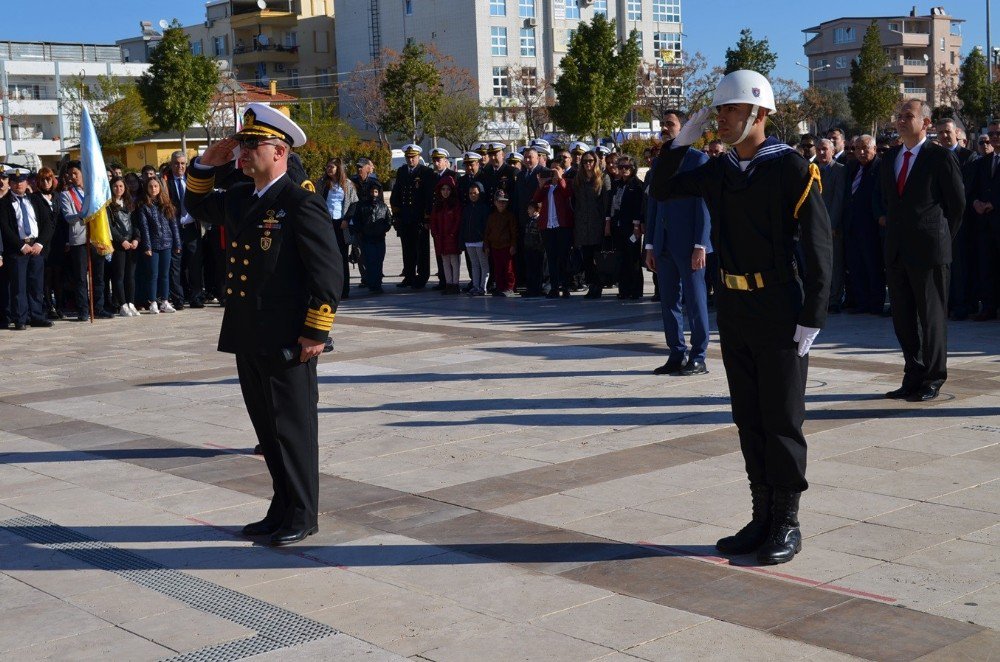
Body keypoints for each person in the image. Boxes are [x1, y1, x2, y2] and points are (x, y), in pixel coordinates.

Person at [649, 70, 832, 565]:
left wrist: (813, 314)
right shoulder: (721, 168)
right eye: (720, 112)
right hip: (734, 305)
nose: (721, 120)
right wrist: (677, 144)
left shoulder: (792, 168)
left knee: (782, 419)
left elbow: (819, 245)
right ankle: (760, 516)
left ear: (758, 113)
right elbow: (661, 188)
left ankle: (787, 522)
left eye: (729, 110)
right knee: (748, 416)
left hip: (779, 307)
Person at [186, 102, 343, 546]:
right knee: (267, 429)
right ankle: (282, 506)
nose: (241, 152)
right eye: (241, 144)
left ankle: (303, 513)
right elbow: (196, 205)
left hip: (287, 336)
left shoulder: (299, 201)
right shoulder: (240, 197)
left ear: (280, 152)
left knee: (292, 428)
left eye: (252, 145)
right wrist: (204, 163)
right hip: (248, 331)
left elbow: (328, 276)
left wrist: (315, 331)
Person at [879, 99, 965, 402]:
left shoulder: (939, 157)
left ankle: (933, 376)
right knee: (903, 318)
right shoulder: (890, 158)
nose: (901, 120)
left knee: (931, 317)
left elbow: (956, 205)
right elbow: (890, 202)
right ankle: (912, 374)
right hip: (898, 250)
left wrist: (941, 237)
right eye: (899, 115)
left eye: (909, 116)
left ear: (926, 123)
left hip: (929, 251)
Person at [645, 109, 712, 375]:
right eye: (663, 123)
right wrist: (650, 244)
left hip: (690, 245)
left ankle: (699, 355)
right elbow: (653, 203)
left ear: (685, 128)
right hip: (664, 244)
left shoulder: (699, 160)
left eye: (670, 124)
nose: (665, 127)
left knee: (696, 301)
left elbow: (704, 204)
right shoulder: (661, 161)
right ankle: (676, 352)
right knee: (669, 301)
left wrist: (701, 243)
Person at [935, 118, 980, 321]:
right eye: (941, 132)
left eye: (948, 132)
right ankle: (949, 303)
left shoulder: (969, 157)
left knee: (962, 265)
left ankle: (963, 304)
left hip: (961, 221)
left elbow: (965, 189)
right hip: (939, 220)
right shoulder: (934, 156)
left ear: (957, 133)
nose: (945, 136)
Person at [0, 168, 54, 329]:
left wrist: (40, 243)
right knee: (19, 286)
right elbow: (4, 227)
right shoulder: (3, 203)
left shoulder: (36, 200)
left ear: (27, 182)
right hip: (18, 249)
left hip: (36, 247)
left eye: (22, 181)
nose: (19, 185)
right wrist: (21, 245)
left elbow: (47, 223)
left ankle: (36, 315)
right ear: (9, 183)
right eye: (15, 182)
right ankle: (20, 318)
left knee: (36, 284)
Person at [60, 160, 111, 320]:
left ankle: (98, 307)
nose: (72, 177)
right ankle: (83, 309)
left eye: (75, 173)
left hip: (96, 237)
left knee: (98, 276)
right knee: (81, 277)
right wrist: (84, 214)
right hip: (80, 240)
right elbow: (69, 217)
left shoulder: (94, 192)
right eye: (70, 174)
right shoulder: (66, 194)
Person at [843, 135, 884, 315]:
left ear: (874, 149)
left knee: (873, 266)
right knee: (856, 265)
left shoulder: (881, 167)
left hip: (872, 226)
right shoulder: (851, 167)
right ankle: (861, 302)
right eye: (857, 148)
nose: (860, 152)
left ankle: (876, 303)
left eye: (865, 148)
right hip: (852, 226)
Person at [969, 119, 1000, 322]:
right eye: (992, 134)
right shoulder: (983, 162)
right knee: (986, 266)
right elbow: (972, 188)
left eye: (998, 133)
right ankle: (988, 306)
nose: (994, 137)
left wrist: (994, 203)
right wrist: (976, 202)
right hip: (985, 225)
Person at [135, 176, 180, 314]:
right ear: (146, 189)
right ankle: (153, 301)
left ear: (160, 187)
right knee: (153, 274)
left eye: (156, 186)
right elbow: (144, 228)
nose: (153, 189)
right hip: (153, 245)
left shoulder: (167, 204)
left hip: (167, 242)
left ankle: (164, 301)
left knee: (165, 274)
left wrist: (177, 243)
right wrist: (147, 246)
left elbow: (173, 225)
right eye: (150, 186)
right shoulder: (143, 206)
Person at [390, 144, 432, 289]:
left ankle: (422, 277)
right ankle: (409, 276)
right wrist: (396, 214)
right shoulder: (402, 171)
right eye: (408, 157)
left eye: (413, 157)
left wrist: (427, 217)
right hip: (406, 217)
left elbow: (428, 196)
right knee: (407, 249)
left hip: (419, 218)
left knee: (421, 249)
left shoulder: (425, 172)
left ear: (418, 157)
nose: (410, 160)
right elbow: (396, 193)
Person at [165, 151, 202, 310]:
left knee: (195, 264)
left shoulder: (192, 181)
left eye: (182, 163)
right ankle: (178, 299)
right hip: (175, 229)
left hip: (192, 228)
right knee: (176, 266)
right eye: (176, 163)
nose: (179, 166)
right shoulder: (165, 182)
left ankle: (196, 298)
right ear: (171, 164)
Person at [317, 158, 357, 300]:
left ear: (338, 168)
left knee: (341, 257)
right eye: (327, 166)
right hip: (326, 223)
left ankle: (344, 290)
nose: (329, 169)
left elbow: (353, 203)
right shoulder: (322, 183)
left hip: (341, 224)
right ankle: (328, 289)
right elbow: (316, 200)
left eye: (332, 167)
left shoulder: (347, 184)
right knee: (327, 257)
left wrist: (346, 220)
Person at [573, 150, 611, 299]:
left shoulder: (603, 178)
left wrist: (606, 223)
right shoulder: (578, 179)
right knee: (587, 258)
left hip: (597, 223)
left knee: (598, 258)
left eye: (590, 161)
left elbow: (606, 203)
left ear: (595, 162)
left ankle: (599, 285)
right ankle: (592, 285)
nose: (588, 164)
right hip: (583, 225)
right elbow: (575, 202)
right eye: (585, 161)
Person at [533, 164, 574, 298]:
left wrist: (560, 178)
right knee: (551, 258)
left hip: (562, 226)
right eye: (552, 169)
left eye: (557, 169)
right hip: (548, 226)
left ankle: (566, 286)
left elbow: (567, 193)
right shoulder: (547, 186)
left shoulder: (567, 182)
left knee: (563, 257)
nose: (554, 172)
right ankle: (554, 287)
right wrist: (541, 184)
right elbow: (536, 199)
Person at [815, 139, 847, 313]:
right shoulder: (812, 169)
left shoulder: (839, 170)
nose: (821, 153)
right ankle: (823, 299)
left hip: (832, 227)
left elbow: (838, 199)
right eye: (818, 149)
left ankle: (835, 299)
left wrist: (832, 224)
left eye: (825, 149)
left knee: (835, 264)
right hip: (815, 226)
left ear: (833, 151)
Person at [607, 156, 645, 300]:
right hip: (618, 225)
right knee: (621, 258)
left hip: (631, 227)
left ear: (633, 168)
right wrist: (608, 222)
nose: (624, 170)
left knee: (633, 259)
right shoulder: (616, 184)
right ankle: (624, 289)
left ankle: (636, 290)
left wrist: (637, 226)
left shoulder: (637, 185)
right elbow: (611, 205)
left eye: (627, 167)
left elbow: (638, 207)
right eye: (621, 167)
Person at [349, 182, 392, 293]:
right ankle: (372, 284)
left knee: (379, 262)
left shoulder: (383, 206)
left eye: (376, 191)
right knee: (369, 262)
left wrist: (383, 229)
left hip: (380, 238)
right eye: (372, 191)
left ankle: (378, 284)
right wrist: (361, 231)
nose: (374, 194)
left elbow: (388, 220)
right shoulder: (362, 206)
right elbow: (356, 220)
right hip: (367, 239)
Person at [107, 176, 140, 317]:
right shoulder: (108, 205)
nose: (118, 189)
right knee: (118, 276)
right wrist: (121, 240)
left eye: (121, 186)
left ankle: (131, 302)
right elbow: (110, 226)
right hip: (118, 245)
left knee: (130, 276)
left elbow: (135, 224)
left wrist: (136, 239)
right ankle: (122, 304)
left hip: (131, 244)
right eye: (115, 186)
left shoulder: (129, 203)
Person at [34, 167, 64, 320]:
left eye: (49, 179)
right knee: (47, 276)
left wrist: (66, 241)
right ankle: (49, 305)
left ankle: (59, 305)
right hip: (43, 243)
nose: (46, 182)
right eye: (43, 180)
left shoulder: (57, 196)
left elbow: (62, 221)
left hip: (58, 243)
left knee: (58, 276)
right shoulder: (35, 198)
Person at [428, 147, 458, 291]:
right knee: (440, 251)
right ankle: (443, 280)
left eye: (439, 160)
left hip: (450, 219)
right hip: (438, 219)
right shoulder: (433, 177)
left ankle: (454, 282)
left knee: (451, 254)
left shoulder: (453, 175)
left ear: (446, 161)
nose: (436, 163)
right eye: (434, 160)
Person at [429, 175, 463, 294]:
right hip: (441, 238)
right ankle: (449, 284)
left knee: (454, 261)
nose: (445, 192)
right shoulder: (438, 204)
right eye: (443, 189)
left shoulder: (455, 204)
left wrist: (453, 233)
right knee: (445, 262)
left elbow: (457, 220)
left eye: (448, 189)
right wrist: (435, 233)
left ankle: (455, 284)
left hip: (452, 237)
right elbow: (433, 221)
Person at [484, 190, 518, 297]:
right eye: (499, 201)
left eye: (504, 202)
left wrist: (513, 245)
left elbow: (514, 232)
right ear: (495, 202)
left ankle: (509, 288)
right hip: (495, 246)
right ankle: (500, 287)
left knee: (508, 269)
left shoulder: (510, 216)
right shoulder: (491, 217)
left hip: (506, 246)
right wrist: (486, 245)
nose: (501, 204)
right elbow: (487, 232)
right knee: (498, 269)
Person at [461, 182, 490, 296]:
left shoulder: (484, 208)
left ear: (480, 193)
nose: (473, 195)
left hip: (480, 241)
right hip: (469, 241)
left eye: (475, 193)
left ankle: (483, 287)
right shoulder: (467, 208)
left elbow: (487, 228)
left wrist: (486, 242)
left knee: (484, 265)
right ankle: (475, 286)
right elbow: (463, 225)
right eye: (470, 193)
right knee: (474, 265)